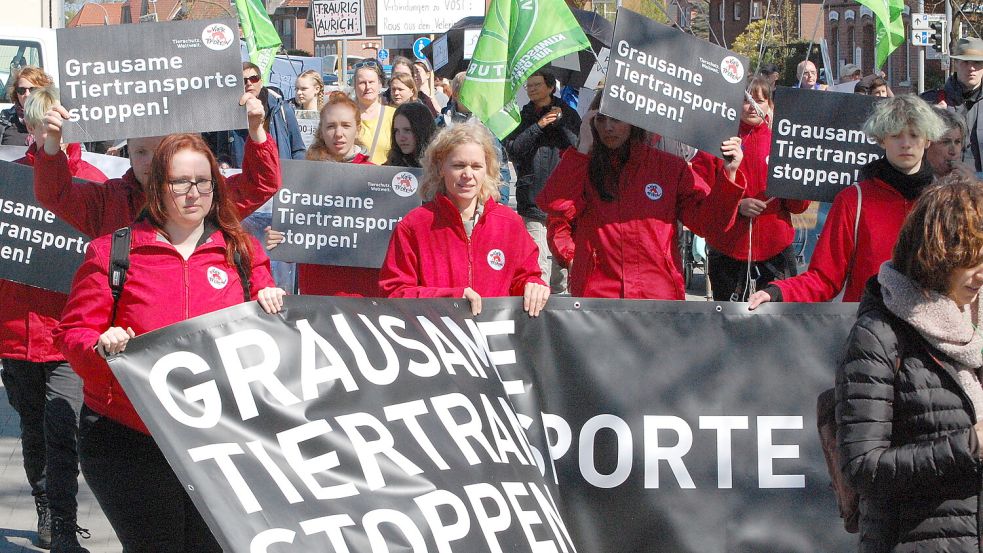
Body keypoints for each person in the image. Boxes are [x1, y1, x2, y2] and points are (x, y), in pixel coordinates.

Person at [54, 133, 284, 552]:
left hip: (220, 440)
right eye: (180, 182)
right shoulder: (113, 252)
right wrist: (101, 347)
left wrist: (274, 306)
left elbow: (270, 328)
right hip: (130, 439)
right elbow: (73, 335)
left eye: (204, 181)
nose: (193, 192)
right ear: (157, 185)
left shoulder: (241, 252)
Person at [836, 176, 983, 553]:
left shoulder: (977, 321)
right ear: (938, 253)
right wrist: (970, 445)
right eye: (972, 259)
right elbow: (863, 467)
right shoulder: (878, 334)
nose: (981, 275)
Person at [1, 86, 107, 552]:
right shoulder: (9, 181)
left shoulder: (96, 180)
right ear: (28, 125)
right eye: (33, 121)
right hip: (15, 330)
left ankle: (64, 524)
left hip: (68, 333)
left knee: (63, 426)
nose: (42, 129)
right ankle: (45, 505)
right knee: (32, 427)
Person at [537, 94, 747, 299]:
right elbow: (556, 209)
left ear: (634, 120)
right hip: (598, 296)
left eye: (616, 118)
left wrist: (729, 174)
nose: (608, 127)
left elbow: (709, 225)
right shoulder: (581, 165)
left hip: (656, 295)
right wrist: (583, 147)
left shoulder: (670, 168)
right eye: (600, 119)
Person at [748, 94, 946, 309]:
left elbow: (963, 276)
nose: (906, 143)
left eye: (914, 135)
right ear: (881, 139)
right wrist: (779, 292)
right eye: (896, 135)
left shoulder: (947, 201)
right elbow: (825, 278)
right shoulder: (853, 200)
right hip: (871, 326)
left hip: (931, 328)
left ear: (928, 140)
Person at [34, 93, 280, 240]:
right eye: (141, 151)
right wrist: (52, 147)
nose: (151, 161)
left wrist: (256, 129)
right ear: (127, 152)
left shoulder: (205, 196)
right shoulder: (108, 202)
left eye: (161, 150)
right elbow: (55, 195)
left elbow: (261, 184)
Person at [379, 122, 549, 316]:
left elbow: (526, 277)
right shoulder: (414, 226)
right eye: (458, 165)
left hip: (493, 341)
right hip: (437, 339)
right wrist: (450, 299)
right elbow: (393, 292)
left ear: (487, 169)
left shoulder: (510, 224)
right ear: (441, 168)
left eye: (476, 166)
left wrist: (534, 286)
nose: (468, 175)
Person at [691, 77, 810, 301]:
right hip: (728, 248)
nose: (753, 106)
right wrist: (736, 205)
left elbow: (798, 206)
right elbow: (700, 193)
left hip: (776, 248)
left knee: (777, 322)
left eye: (760, 100)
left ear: (770, 106)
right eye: (747, 100)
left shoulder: (783, 142)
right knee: (730, 323)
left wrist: (795, 182)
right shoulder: (717, 140)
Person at [267, 92, 380, 297]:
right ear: (321, 131)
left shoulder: (376, 177)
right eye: (331, 126)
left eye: (346, 125)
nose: (338, 133)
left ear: (358, 128)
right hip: (317, 293)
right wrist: (280, 238)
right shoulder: (303, 177)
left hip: (362, 293)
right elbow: (295, 245)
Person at [505, 68, 581, 293]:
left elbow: (578, 146)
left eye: (537, 85)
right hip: (532, 197)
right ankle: (540, 304)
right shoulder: (522, 115)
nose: (531, 89)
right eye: (529, 85)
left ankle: (558, 301)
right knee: (537, 260)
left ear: (550, 87)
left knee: (560, 264)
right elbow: (514, 149)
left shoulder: (567, 114)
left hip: (562, 200)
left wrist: (558, 123)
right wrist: (538, 126)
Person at [438, 71, 512, 204]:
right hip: (447, 198)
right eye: (470, 92)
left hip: (481, 200)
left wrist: (501, 202)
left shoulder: (489, 125)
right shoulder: (441, 123)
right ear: (455, 94)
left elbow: (501, 167)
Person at [923, 37, 983, 171]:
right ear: (956, 63)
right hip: (940, 185)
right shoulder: (930, 101)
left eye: (977, 63)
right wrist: (928, 119)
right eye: (965, 62)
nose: (971, 68)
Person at [353, 60, 395, 164]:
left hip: (385, 177)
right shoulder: (347, 116)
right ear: (354, 86)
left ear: (380, 84)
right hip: (354, 177)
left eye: (371, 82)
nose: (367, 87)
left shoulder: (394, 115)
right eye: (362, 83)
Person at [1, 65, 51, 146]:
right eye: (21, 90)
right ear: (16, 93)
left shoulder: (54, 119)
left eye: (33, 89)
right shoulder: (5, 120)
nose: (27, 94)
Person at [926, 108, 975, 179]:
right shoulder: (913, 182)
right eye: (945, 142)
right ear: (927, 143)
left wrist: (972, 187)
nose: (953, 151)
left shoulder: (967, 179)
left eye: (957, 142)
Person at [386, 101, 437, 167]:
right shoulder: (391, 166)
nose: (401, 138)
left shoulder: (441, 165)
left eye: (407, 130)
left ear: (422, 130)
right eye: (396, 131)